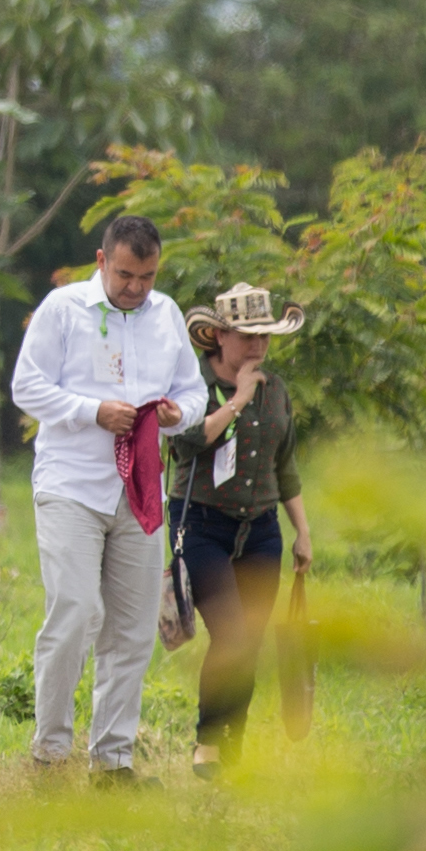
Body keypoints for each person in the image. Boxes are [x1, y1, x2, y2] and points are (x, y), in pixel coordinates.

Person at [9, 215, 209, 776]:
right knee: (73, 611)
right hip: (72, 483)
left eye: (147, 276)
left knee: (132, 627)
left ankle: (113, 762)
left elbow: (194, 391)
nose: (136, 287)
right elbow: (26, 386)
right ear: (101, 261)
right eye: (125, 274)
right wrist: (91, 411)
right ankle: (50, 752)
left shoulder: (166, 314)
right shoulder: (63, 309)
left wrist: (177, 414)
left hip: (141, 489)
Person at [171, 283, 312, 774]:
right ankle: (207, 740)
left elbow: (285, 464)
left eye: (264, 338)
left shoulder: (277, 393)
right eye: (246, 337)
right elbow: (185, 446)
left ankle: (234, 745)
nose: (256, 348)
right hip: (202, 524)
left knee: (249, 640)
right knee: (229, 634)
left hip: (261, 529)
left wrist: (302, 531)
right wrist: (238, 398)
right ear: (219, 338)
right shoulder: (194, 387)